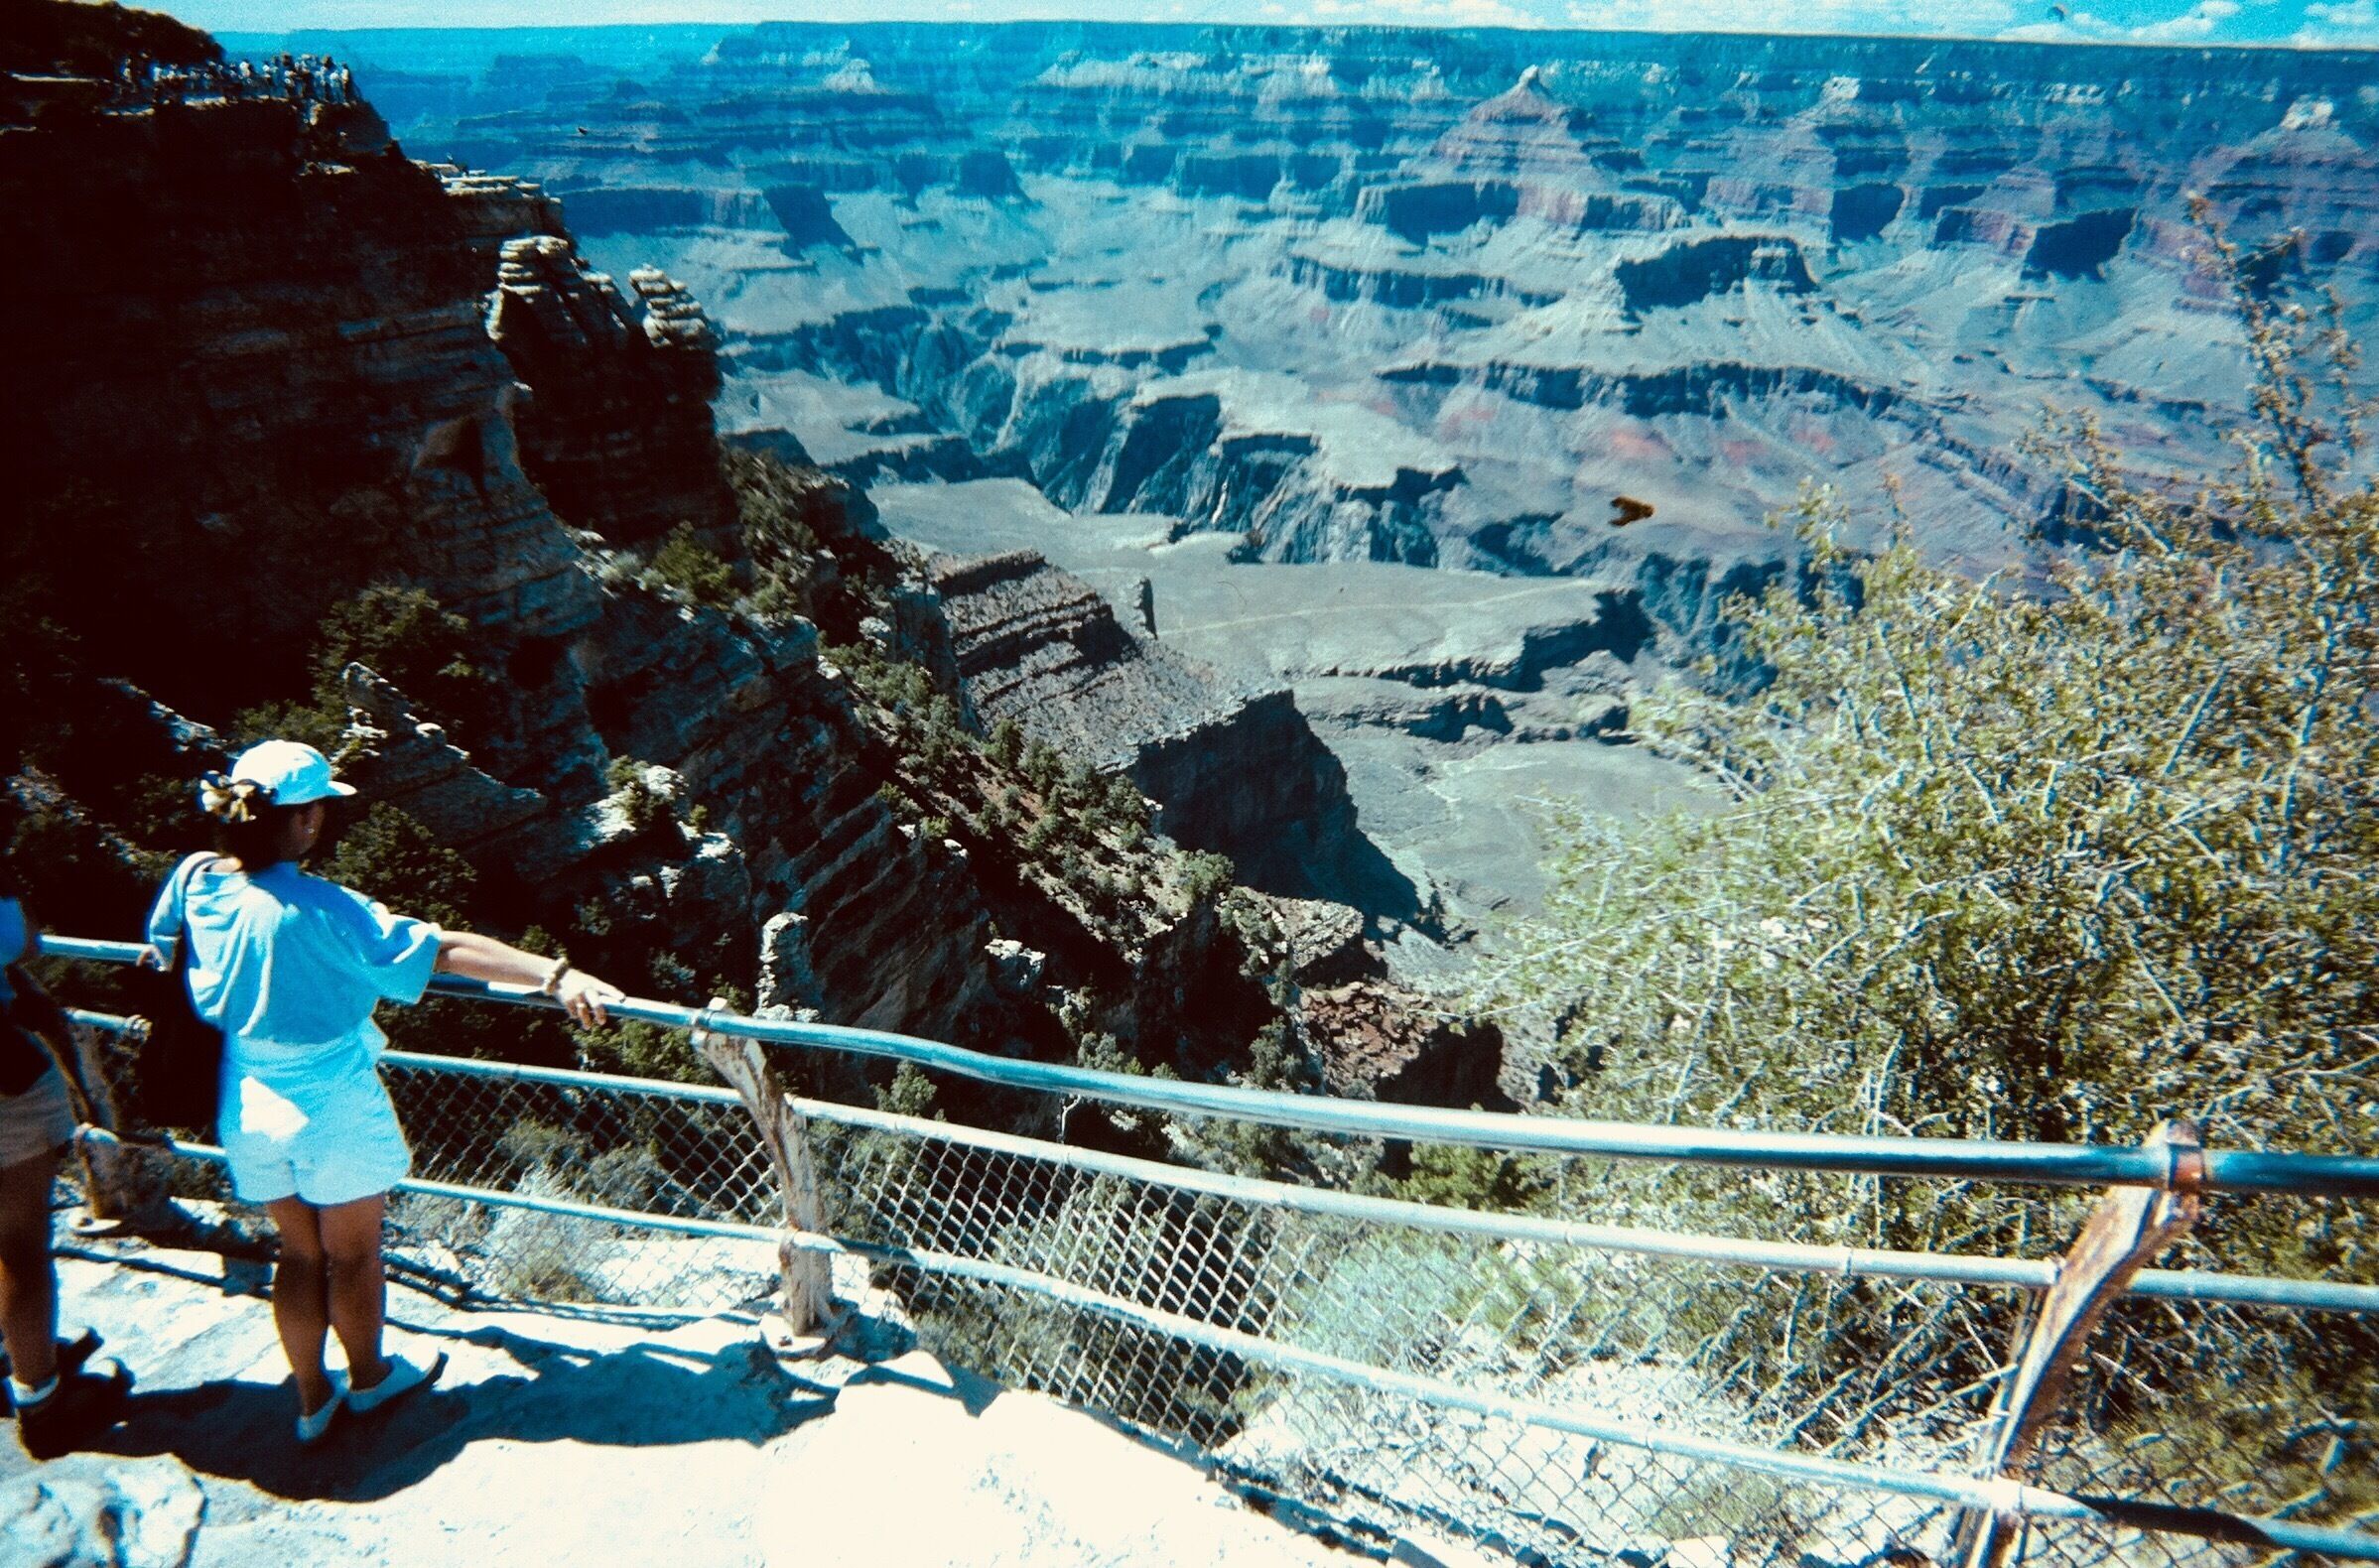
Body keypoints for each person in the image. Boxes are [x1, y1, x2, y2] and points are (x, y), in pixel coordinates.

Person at [145, 739, 622, 1444]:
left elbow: (159, 950)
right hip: (330, 1103)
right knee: (353, 1257)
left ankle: (311, 1399)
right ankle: (368, 1379)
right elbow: (446, 949)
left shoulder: (194, 879)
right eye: (318, 812)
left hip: (245, 1098)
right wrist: (556, 976)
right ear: (304, 821)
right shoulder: (328, 908)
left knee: (298, 1256)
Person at [0, 888, 134, 1459]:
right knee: (19, 1247)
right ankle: (43, 1401)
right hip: (7, 1082)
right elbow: (21, 938)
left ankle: (19, 1350)